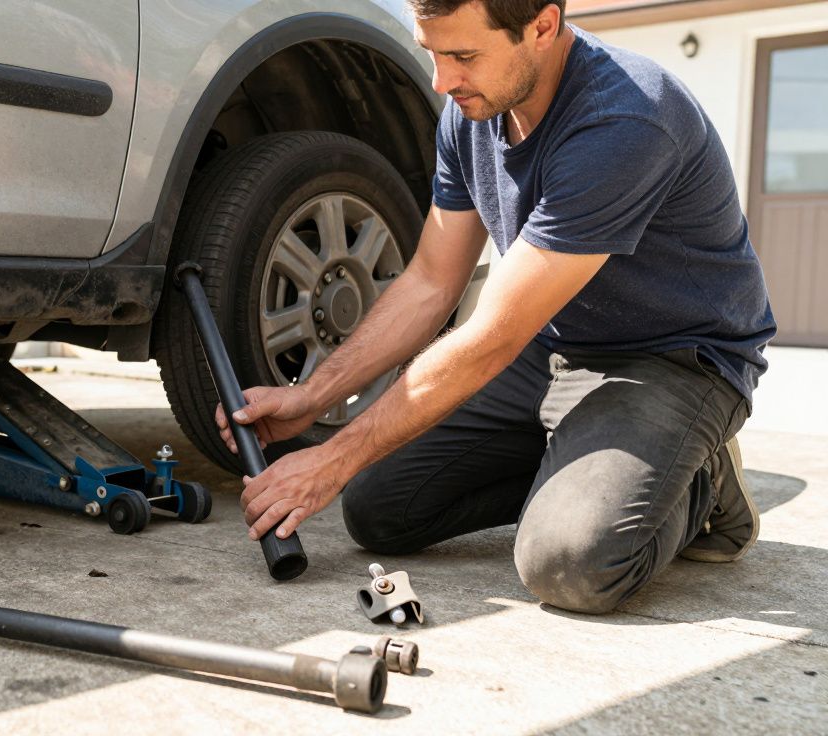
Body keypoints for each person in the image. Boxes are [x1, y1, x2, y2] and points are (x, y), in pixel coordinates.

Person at [217, 0, 776, 613]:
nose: (440, 80)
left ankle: (701, 477)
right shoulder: (473, 110)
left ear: (542, 25)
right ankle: (592, 459)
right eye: (433, 53)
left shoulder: (626, 117)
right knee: (380, 509)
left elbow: (491, 338)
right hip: (552, 342)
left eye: (462, 56)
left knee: (570, 566)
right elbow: (431, 281)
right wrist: (311, 397)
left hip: (670, 360)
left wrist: (333, 455)